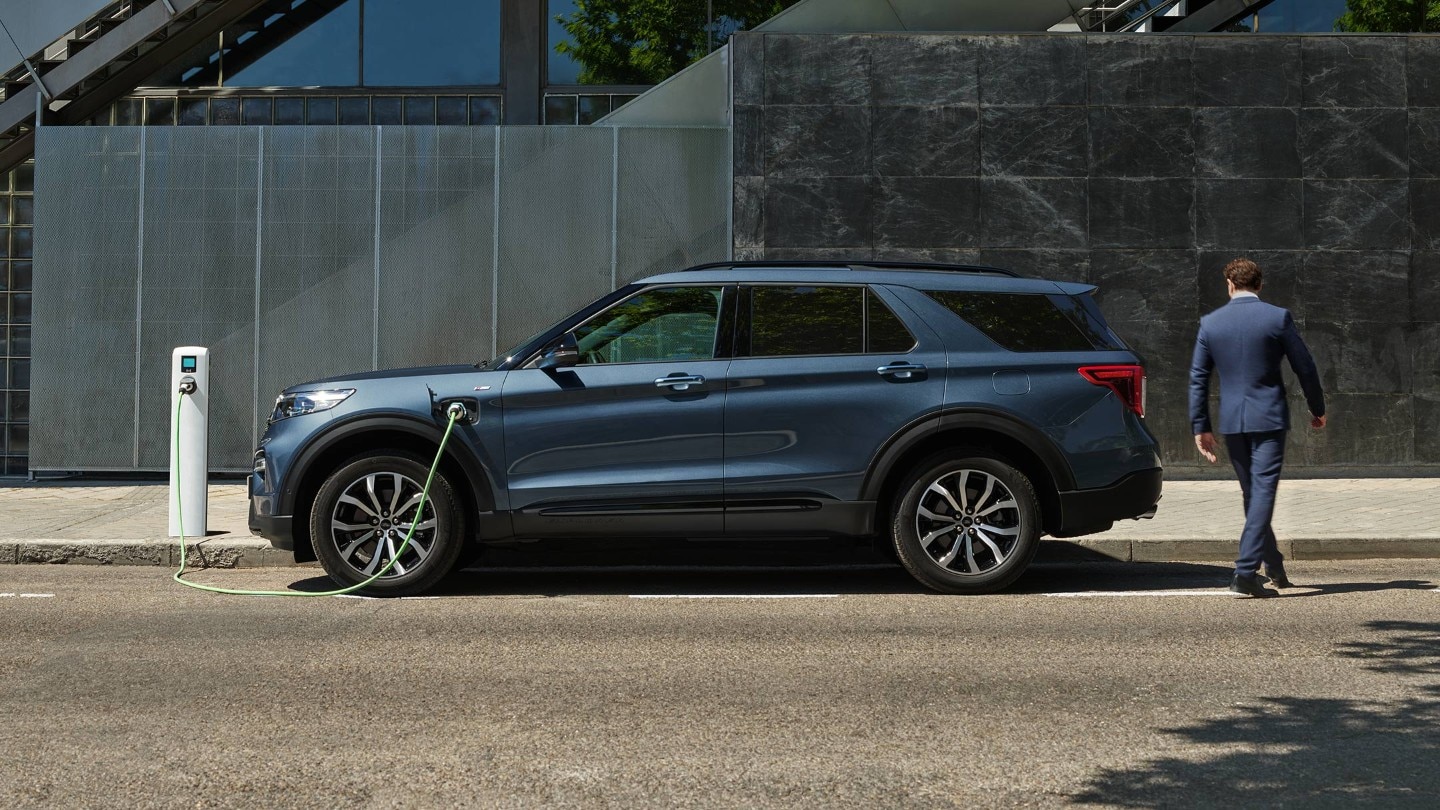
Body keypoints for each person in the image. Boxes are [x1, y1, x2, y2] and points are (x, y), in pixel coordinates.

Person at [1189, 258, 1326, 598]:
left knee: (1253, 493)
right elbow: (1304, 366)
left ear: (1230, 285)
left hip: (1233, 421)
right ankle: (1245, 572)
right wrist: (1317, 408)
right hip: (1269, 418)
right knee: (1262, 492)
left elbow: (1198, 379)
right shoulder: (1277, 317)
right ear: (1260, 285)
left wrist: (1200, 425)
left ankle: (1274, 565)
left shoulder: (1211, 323)